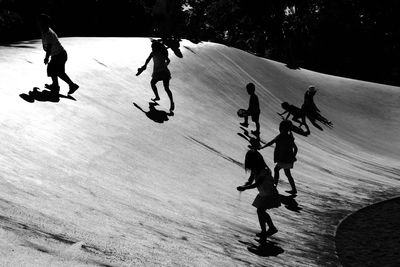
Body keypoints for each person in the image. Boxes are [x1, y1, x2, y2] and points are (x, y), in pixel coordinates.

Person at [237, 150, 280, 238]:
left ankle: (271, 228)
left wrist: (244, 188)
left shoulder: (264, 170)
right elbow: (250, 181)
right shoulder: (255, 170)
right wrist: (244, 186)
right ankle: (265, 230)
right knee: (260, 211)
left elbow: (257, 183)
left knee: (260, 211)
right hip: (263, 194)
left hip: (270, 194)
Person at [37, 14, 79, 95]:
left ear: (45, 24)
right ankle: (58, 85)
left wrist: (46, 58)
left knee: (55, 71)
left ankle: (68, 85)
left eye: (40, 23)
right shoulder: (44, 31)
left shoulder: (49, 34)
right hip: (58, 55)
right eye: (39, 23)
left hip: (59, 55)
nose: (39, 25)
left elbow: (49, 48)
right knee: (55, 70)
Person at [260, 120, 298, 195]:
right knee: (287, 174)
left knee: (276, 169)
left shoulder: (281, 136)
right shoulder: (289, 137)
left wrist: (262, 147)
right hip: (288, 160)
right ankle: (294, 189)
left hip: (284, 159)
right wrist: (293, 157)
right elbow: (296, 148)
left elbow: (271, 142)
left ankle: (274, 186)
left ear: (282, 128)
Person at [139, 40, 174, 111]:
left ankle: (158, 97)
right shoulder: (162, 53)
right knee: (166, 88)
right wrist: (165, 65)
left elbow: (147, 59)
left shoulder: (153, 53)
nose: (152, 49)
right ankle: (171, 102)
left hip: (159, 72)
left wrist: (145, 66)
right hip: (164, 72)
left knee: (153, 83)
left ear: (155, 48)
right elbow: (168, 60)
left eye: (152, 47)